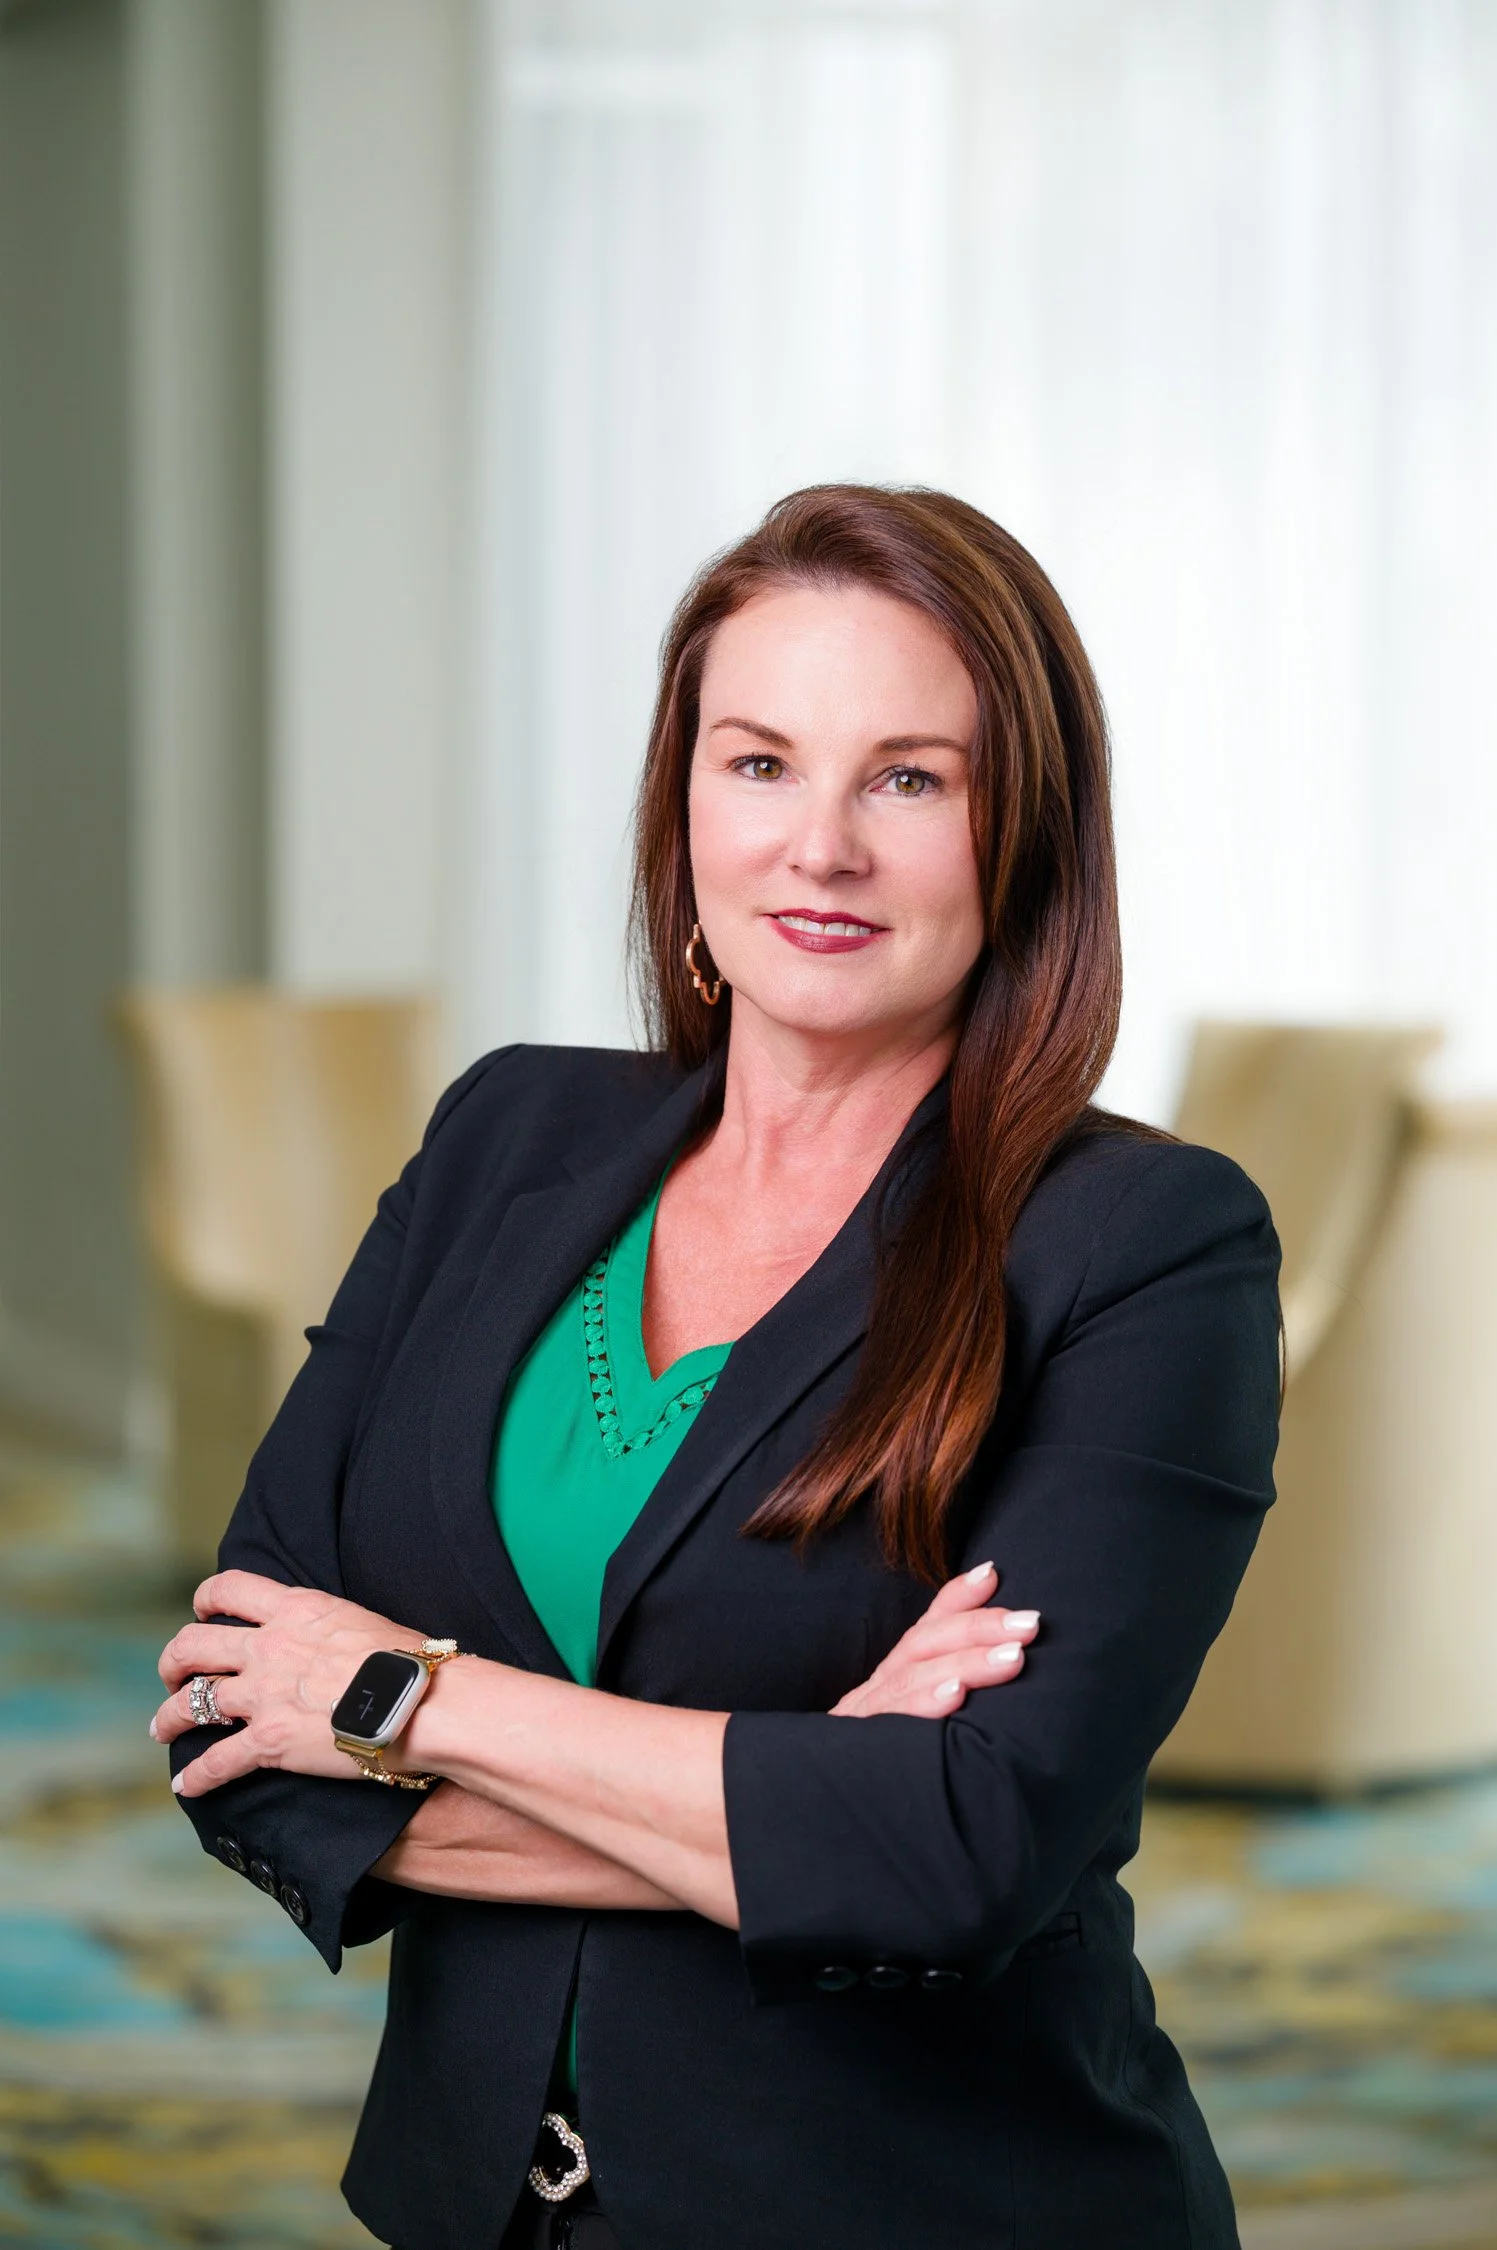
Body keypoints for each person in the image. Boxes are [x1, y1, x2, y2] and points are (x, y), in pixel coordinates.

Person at [152, 486, 1280, 2250]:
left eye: (909, 778)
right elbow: (235, 1718)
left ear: (1023, 832)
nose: (817, 845)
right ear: (683, 803)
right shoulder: (501, 1134)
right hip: (481, 2211)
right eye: (759, 762)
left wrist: (401, 1701)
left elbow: (966, 1855)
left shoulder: (1146, 1244)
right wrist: (800, 1787)